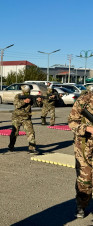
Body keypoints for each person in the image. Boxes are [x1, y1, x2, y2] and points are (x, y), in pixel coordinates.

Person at [68, 85, 93, 218]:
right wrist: (87, 129)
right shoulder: (84, 99)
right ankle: (81, 206)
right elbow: (72, 122)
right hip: (84, 146)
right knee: (85, 179)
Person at [8, 85, 42, 154]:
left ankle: (32, 148)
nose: (27, 93)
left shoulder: (31, 97)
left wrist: (39, 101)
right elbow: (16, 105)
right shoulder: (18, 96)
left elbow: (37, 105)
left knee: (31, 132)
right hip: (17, 117)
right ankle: (11, 146)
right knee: (15, 133)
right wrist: (24, 101)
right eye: (26, 92)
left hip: (26, 118)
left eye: (28, 92)